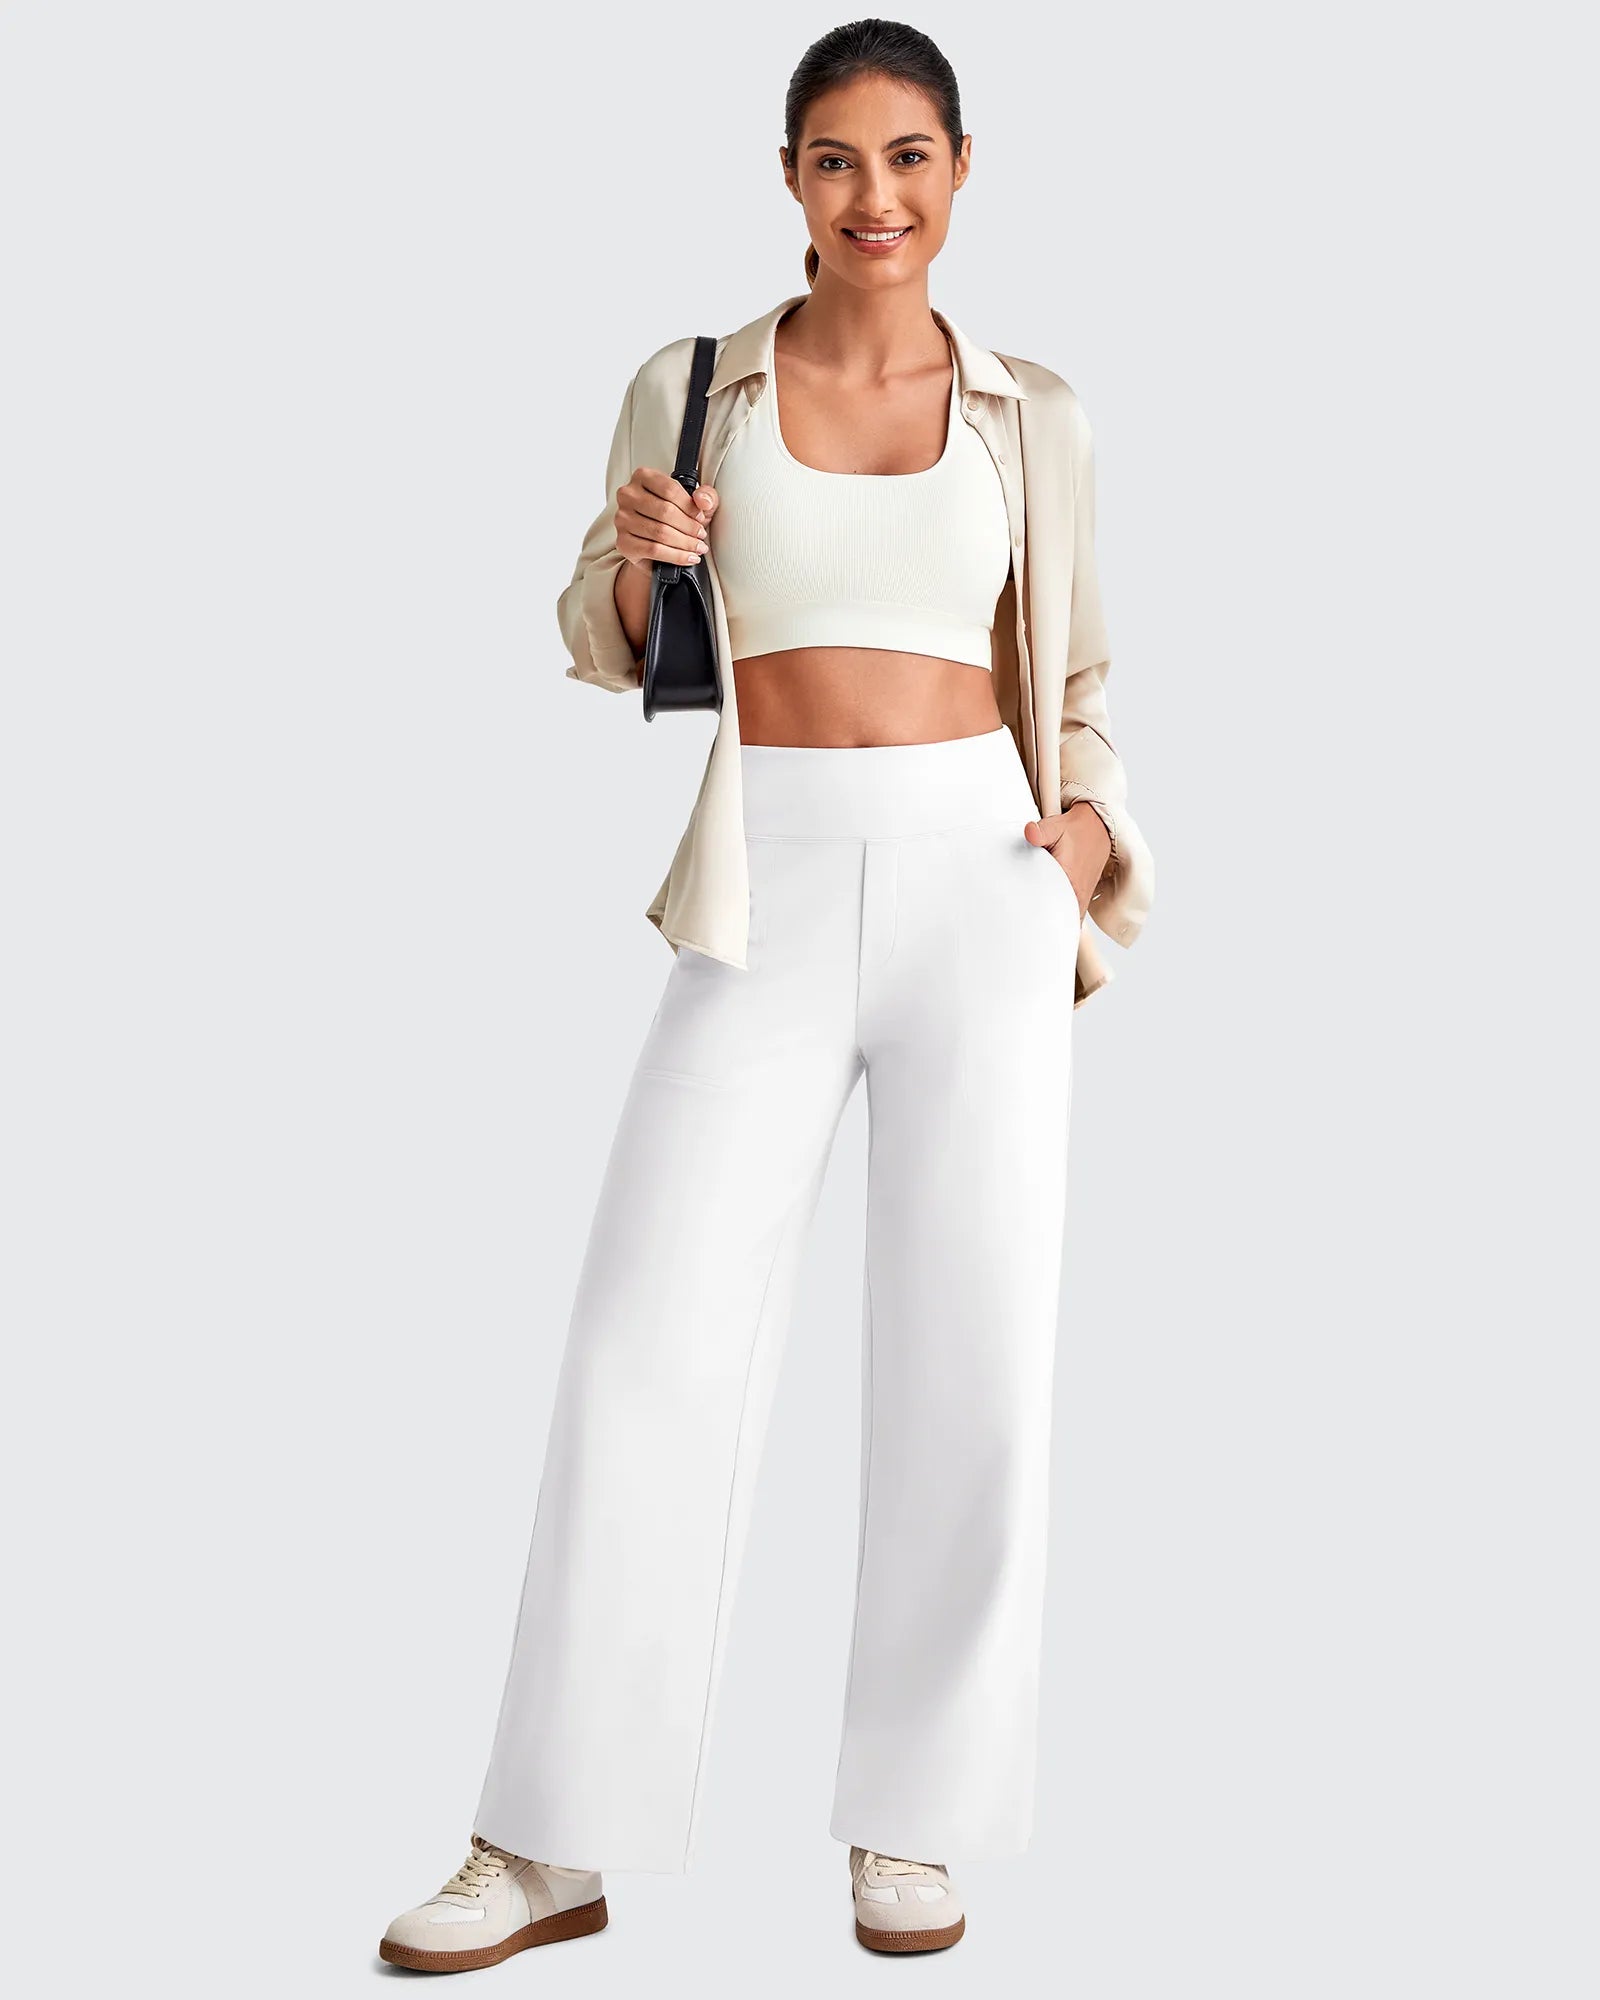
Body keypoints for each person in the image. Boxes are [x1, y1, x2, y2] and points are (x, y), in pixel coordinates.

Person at [379, 16, 1154, 1971]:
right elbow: (616, 642)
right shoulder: (694, 384)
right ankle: (548, 1838)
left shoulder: (1035, 412)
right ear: (789, 177)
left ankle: (915, 1822)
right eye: (834, 158)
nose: (873, 195)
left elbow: (1072, 672)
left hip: (981, 866)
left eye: (908, 156)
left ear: (961, 172)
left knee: (972, 1350)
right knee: (642, 1340)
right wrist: (646, 564)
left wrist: (1081, 835)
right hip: (767, 870)